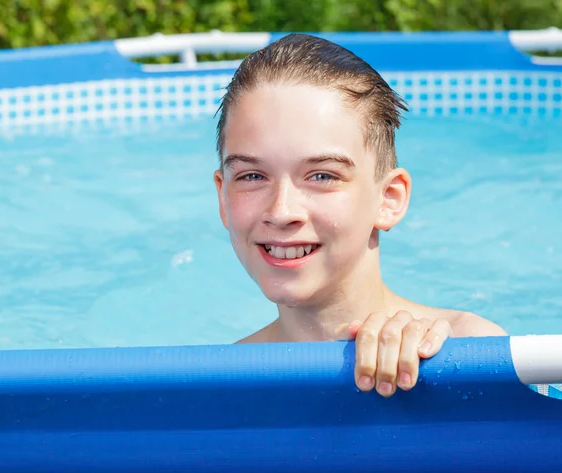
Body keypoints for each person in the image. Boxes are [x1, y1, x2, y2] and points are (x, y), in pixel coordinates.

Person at [212, 33, 507, 398]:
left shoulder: (468, 348)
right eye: (252, 176)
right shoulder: (222, 383)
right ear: (223, 197)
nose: (281, 211)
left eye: (323, 176)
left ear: (388, 198)